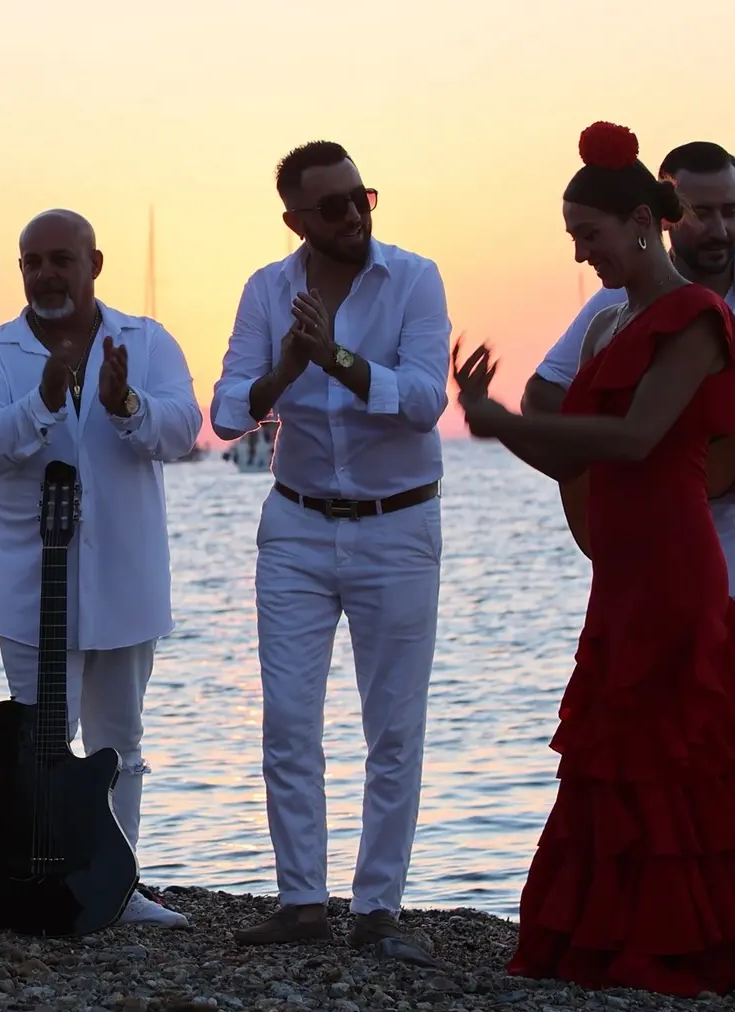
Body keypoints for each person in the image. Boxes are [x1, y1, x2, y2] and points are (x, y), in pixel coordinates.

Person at [453, 121, 735, 1001]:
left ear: (642, 222)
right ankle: (629, 933)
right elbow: (571, 461)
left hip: (676, 561)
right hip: (621, 568)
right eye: (572, 237)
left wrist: (506, 422)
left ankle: (720, 941)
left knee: (691, 748)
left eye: (588, 235)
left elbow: (638, 439)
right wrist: (495, 421)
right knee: (620, 753)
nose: (581, 253)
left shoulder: (699, 318)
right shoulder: (609, 323)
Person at [522, 140, 735, 794]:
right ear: (663, 214)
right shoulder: (616, 306)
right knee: (657, 744)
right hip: (656, 553)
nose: (720, 228)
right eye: (702, 213)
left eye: (731, 211)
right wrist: (603, 460)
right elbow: (544, 392)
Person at [210, 141, 448, 962]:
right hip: (297, 526)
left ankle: (377, 909)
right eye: (334, 206)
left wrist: (338, 360)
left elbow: (425, 401)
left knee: (394, 729)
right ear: (295, 220)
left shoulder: (414, 279)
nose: (354, 215)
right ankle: (302, 901)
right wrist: (286, 367)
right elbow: (227, 413)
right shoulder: (266, 291)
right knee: (287, 718)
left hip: (398, 525)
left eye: (361, 197)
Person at [0, 209, 203, 929]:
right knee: (39, 744)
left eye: (61, 259)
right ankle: (41, 880)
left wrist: (127, 403)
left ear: (94, 264)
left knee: (119, 742)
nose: (46, 275)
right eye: (32, 262)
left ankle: (116, 888)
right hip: (34, 587)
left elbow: (184, 430)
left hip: (126, 579)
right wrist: (42, 401)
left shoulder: (147, 343)